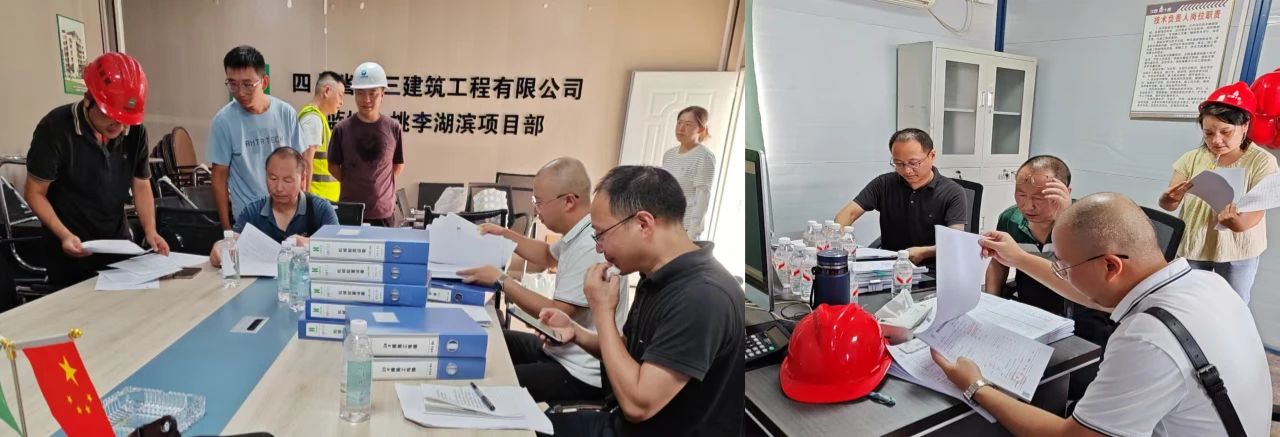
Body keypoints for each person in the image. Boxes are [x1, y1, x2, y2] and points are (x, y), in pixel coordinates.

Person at [942, 193, 1271, 437]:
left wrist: (977, 386)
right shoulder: (1204, 282)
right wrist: (1017, 257)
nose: (1061, 272)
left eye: (1063, 265)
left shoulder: (1146, 337)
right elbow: (1094, 296)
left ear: (1111, 266)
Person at [538, 166, 743, 435]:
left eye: (601, 234)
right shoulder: (656, 275)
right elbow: (629, 351)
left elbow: (638, 405)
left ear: (643, 224)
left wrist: (602, 310)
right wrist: (575, 332)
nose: (599, 247)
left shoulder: (703, 297)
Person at [457, 157, 628, 402]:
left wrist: (501, 280)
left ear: (568, 201)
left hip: (579, 371)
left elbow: (558, 312)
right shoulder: (578, 232)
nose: (536, 210)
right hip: (560, 351)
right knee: (489, 339)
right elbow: (547, 255)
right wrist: (504, 234)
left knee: (493, 383)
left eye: (539, 202)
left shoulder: (590, 245)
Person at [24, 52, 170, 288]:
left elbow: (141, 183)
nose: (118, 125)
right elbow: (34, 192)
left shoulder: (135, 131)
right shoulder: (55, 129)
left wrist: (150, 230)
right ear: (88, 99)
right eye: (110, 115)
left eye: (124, 119)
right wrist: (64, 235)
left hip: (118, 247)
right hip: (71, 249)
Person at [982, 155, 1113, 402]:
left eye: (1040, 198)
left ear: (1066, 192)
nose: (1028, 206)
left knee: (1074, 389)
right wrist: (991, 303)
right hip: (1031, 311)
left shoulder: (1088, 223)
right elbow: (998, 263)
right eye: (1021, 195)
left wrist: (1067, 218)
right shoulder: (1010, 219)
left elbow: (1092, 281)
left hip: (1082, 316)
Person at [1159, 82, 1277, 302]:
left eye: (1225, 132)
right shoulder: (1192, 158)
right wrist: (1168, 198)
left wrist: (1236, 222)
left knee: (1232, 306)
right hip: (1195, 244)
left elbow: (1253, 216)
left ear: (1245, 125)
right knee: (1190, 303)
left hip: (1238, 251)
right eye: (1208, 133)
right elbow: (1169, 204)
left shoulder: (1262, 162)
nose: (1216, 140)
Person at [835, 128, 968, 266]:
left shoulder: (953, 192)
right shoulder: (883, 184)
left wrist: (924, 252)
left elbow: (955, 241)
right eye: (898, 163)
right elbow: (848, 214)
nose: (907, 170)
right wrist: (839, 239)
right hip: (889, 266)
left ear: (932, 155)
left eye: (913, 163)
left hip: (932, 271)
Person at [208, 45, 304, 230]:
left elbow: (301, 166)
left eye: (247, 84)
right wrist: (227, 229)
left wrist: (302, 213)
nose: (240, 92)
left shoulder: (285, 113)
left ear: (264, 82)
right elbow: (219, 177)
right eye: (232, 84)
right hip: (248, 221)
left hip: (288, 218)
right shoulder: (224, 122)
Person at [210, 147, 338, 267]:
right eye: (273, 178)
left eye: (287, 180)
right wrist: (221, 248)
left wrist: (309, 244)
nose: (279, 188)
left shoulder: (320, 209)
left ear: (303, 178)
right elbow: (233, 241)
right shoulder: (253, 211)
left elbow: (338, 249)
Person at [327, 62, 404, 227]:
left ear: (382, 94)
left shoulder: (393, 128)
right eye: (360, 93)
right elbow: (332, 166)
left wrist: (378, 183)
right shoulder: (342, 129)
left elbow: (397, 165)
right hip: (350, 210)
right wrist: (354, 181)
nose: (366, 99)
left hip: (383, 213)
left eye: (372, 93)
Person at [661, 106, 717, 240]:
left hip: (685, 229)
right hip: (664, 224)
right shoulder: (669, 155)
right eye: (679, 122)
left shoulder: (704, 157)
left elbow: (702, 198)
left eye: (688, 124)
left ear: (701, 129)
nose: (681, 128)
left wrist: (692, 234)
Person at [299, 70, 345, 202]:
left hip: (322, 200)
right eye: (340, 95)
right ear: (327, 91)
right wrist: (305, 200)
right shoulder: (313, 119)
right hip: (316, 200)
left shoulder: (317, 118)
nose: (341, 102)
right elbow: (306, 160)